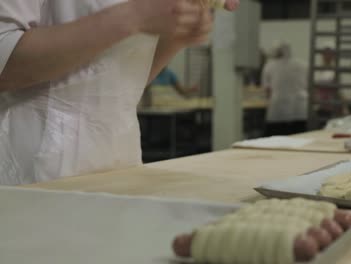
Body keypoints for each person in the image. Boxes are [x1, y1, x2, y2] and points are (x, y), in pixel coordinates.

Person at [0, 0, 239, 185]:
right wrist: (133, 15)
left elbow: (122, 81)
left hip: (120, 158)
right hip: (36, 166)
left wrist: (182, 26)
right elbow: (5, 61)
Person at [262, 42, 308, 136]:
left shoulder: (270, 66)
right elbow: (309, 86)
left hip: (278, 111)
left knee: (276, 142)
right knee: (299, 141)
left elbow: (267, 91)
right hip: (300, 110)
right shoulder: (303, 65)